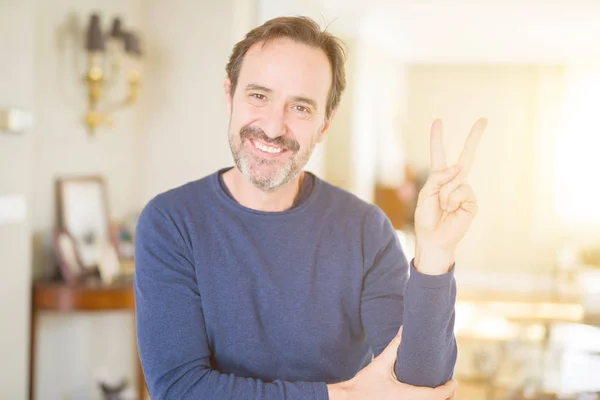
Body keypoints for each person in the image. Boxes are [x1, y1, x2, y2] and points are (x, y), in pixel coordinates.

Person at [134, 16, 486, 400]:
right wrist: (345, 396)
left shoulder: (365, 229)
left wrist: (435, 256)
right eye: (258, 96)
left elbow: (420, 388)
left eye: (300, 108)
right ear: (229, 96)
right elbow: (179, 390)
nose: (272, 127)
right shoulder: (171, 222)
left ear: (323, 125)